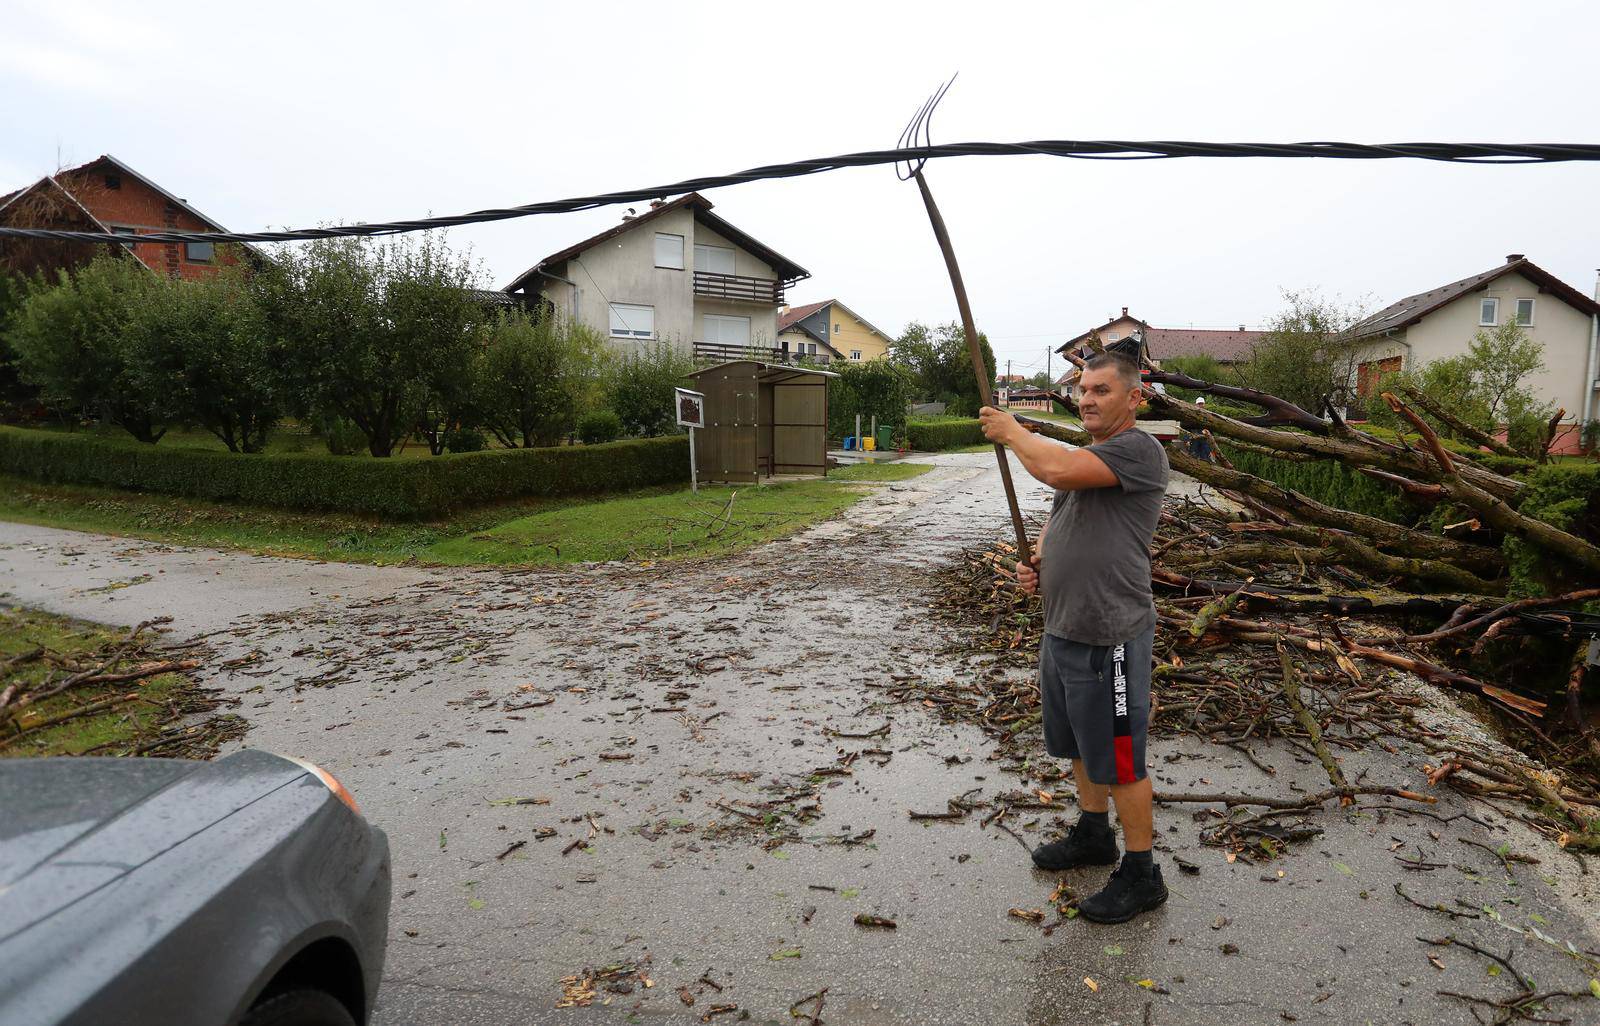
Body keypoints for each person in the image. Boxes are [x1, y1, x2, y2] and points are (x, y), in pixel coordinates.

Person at [977, 352, 1171, 924]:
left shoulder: (1139, 450)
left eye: (1101, 390)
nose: (1087, 398)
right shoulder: (1092, 455)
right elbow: (1063, 508)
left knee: (1118, 757)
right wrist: (1038, 560)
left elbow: (1055, 471)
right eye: (1083, 389)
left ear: (1134, 398)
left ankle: (1143, 873)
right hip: (1064, 625)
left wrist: (1014, 430)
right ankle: (1093, 833)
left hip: (1109, 633)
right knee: (1080, 745)